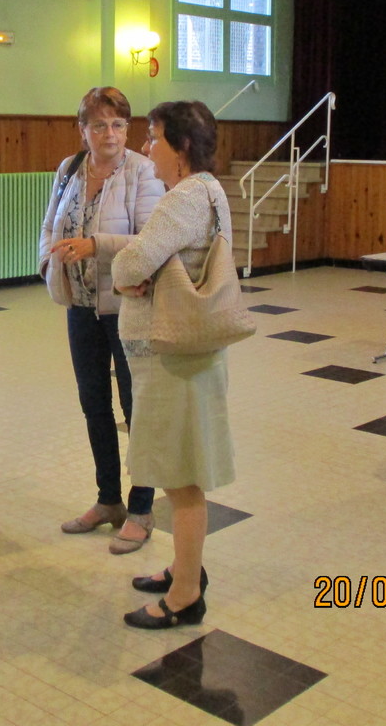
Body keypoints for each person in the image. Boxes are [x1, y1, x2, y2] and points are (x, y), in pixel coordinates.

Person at [111, 100, 234, 628]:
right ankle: (185, 569)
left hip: (172, 362)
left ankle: (185, 596)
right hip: (185, 358)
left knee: (180, 480)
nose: (145, 147)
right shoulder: (211, 190)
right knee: (176, 471)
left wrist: (128, 274)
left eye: (152, 137)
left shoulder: (184, 197)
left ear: (180, 146)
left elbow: (131, 263)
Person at [39, 87, 164, 554]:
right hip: (80, 305)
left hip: (127, 307)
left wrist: (95, 245)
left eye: (117, 124)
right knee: (94, 404)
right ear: (83, 130)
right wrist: (49, 264)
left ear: (127, 129)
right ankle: (108, 500)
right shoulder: (69, 169)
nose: (109, 133)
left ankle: (142, 508)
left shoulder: (142, 170)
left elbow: (149, 239)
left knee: (135, 407)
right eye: (98, 125)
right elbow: (50, 226)